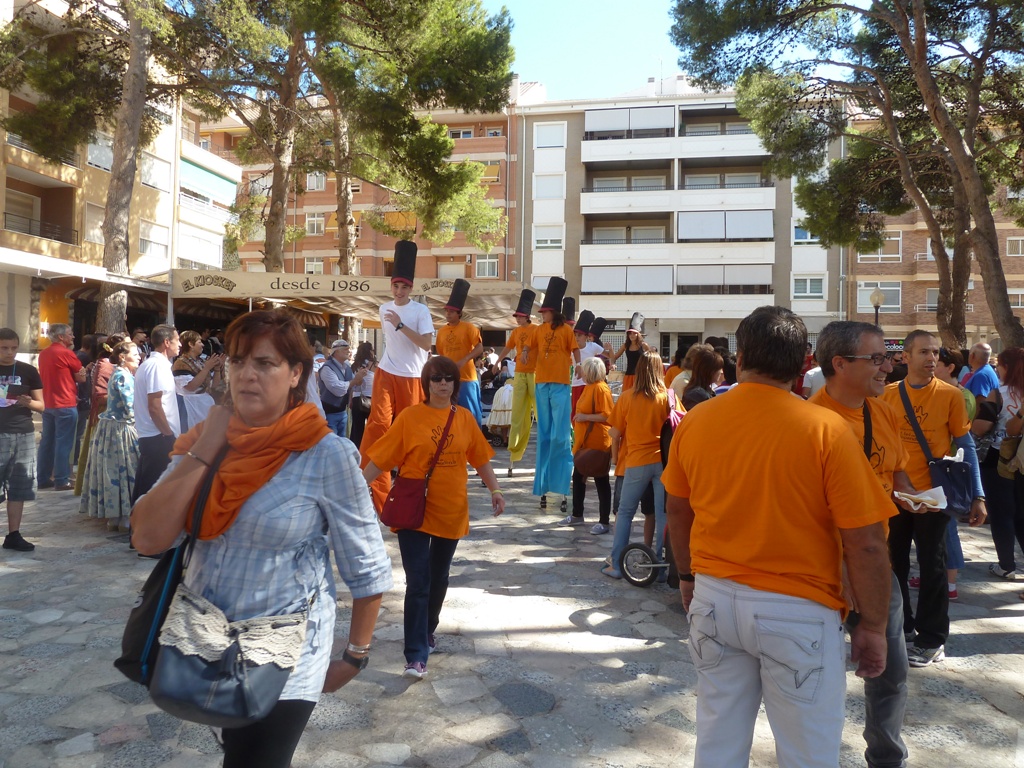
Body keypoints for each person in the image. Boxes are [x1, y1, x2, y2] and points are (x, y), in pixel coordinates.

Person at [131, 310, 392, 768]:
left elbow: (367, 563)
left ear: (295, 374)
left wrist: (355, 656)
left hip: (286, 653)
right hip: (202, 641)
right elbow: (149, 538)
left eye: (265, 363)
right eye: (237, 361)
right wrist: (206, 448)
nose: (247, 374)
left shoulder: (326, 454)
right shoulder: (207, 441)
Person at [663, 305, 893, 768]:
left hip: (714, 597)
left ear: (742, 355)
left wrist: (687, 576)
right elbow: (866, 541)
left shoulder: (698, 420)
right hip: (798, 607)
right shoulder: (826, 430)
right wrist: (873, 625)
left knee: (717, 742)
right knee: (808, 753)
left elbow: (678, 509)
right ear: (804, 362)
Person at [809, 320, 917, 768]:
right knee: (816, 679)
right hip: (823, 571)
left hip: (875, 564)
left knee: (890, 673)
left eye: (887, 358)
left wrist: (913, 497)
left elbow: (897, 471)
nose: (888, 367)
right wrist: (843, 573)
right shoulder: (810, 422)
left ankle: (887, 758)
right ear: (839, 364)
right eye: (876, 359)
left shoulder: (883, 411)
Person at [363, 355, 503, 679]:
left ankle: (427, 629)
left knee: (439, 577)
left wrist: (495, 490)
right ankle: (415, 655)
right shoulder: (410, 417)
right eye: (436, 378)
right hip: (414, 508)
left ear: (455, 383)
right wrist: (357, 486)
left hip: (450, 509)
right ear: (426, 383)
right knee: (418, 581)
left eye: (448, 378)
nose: (442, 383)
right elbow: (381, 457)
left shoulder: (464, 418)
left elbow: (480, 458)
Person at [880, 330, 986, 668]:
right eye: (924, 351)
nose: (931, 358)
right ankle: (901, 626)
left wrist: (978, 494)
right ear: (905, 356)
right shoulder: (886, 395)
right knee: (893, 563)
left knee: (933, 567)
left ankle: (932, 639)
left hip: (933, 496)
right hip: (895, 496)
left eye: (936, 352)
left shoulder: (951, 395)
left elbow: (966, 445)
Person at [359, 241, 434, 512]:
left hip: (413, 377)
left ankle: (410, 492)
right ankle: (368, 487)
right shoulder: (383, 309)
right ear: (391, 286)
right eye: (395, 286)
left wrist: (400, 325)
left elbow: (426, 344)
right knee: (378, 426)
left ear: (410, 288)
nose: (399, 291)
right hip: (386, 372)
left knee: (409, 435)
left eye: (404, 287)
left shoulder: (420, 311)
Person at [603, 351, 679, 578]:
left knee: (625, 512)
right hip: (663, 463)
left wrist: (614, 458)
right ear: (660, 370)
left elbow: (615, 432)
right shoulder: (669, 397)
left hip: (636, 461)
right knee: (663, 514)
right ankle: (663, 568)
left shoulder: (627, 397)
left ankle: (617, 565)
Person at [525, 278, 581, 506]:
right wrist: (525, 352)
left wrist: (579, 366)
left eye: (544, 312)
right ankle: (543, 484)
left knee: (561, 436)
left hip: (560, 384)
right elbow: (529, 344)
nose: (541, 316)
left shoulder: (566, 330)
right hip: (541, 384)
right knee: (544, 436)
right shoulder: (539, 329)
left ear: (553, 313)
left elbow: (575, 350)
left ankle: (561, 484)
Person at [970, 346, 1024, 582]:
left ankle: (1006, 565)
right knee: (1021, 514)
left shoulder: (999, 394)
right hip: (1022, 461)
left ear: (1005, 367)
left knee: (1002, 513)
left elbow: (981, 427)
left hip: (998, 459)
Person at [928, 348, 974, 599]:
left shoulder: (960, 396)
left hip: (950, 469)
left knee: (948, 528)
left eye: (937, 361)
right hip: (939, 468)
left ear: (950, 367)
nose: (932, 364)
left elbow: (963, 438)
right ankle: (937, 576)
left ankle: (951, 583)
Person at [79, 340, 141, 531]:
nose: (139, 357)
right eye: (135, 354)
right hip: (120, 429)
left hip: (111, 427)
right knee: (125, 470)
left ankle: (116, 517)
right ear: (122, 357)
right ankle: (124, 516)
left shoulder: (119, 373)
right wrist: (139, 425)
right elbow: (130, 406)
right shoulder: (123, 376)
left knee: (113, 471)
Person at [0, 328, 44, 551]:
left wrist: (28, 403)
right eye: (4, 348)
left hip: (23, 433)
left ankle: (13, 534)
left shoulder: (28, 370)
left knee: (19, 486)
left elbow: (41, 405)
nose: (10, 352)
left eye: (14, 348)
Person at [131, 325, 182, 506]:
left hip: (157, 436)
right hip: (158, 437)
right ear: (167, 342)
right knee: (153, 491)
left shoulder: (157, 365)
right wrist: (168, 435)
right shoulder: (156, 366)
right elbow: (154, 406)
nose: (180, 344)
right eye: (177, 340)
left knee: (148, 487)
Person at [563, 356, 613, 534]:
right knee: (578, 477)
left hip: (597, 442)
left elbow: (608, 416)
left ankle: (604, 521)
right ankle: (577, 514)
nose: (581, 372)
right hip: (585, 441)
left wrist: (585, 417)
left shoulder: (600, 389)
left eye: (584, 369)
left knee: (601, 480)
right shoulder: (590, 387)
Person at [37, 323, 87, 491]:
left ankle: (43, 477)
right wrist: (83, 371)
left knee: (47, 441)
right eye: (70, 334)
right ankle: (61, 479)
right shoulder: (67, 353)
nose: (73, 336)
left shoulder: (43, 354)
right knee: (64, 443)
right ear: (61, 337)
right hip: (65, 402)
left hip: (48, 402)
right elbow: (81, 377)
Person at [496, 289, 537, 475]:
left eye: (520, 316)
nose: (517, 319)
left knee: (540, 413)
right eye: (516, 316)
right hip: (520, 373)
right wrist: (497, 361)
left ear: (527, 316)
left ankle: (545, 454)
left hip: (535, 373)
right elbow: (508, 348)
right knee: (517, 415)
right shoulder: (515, 331)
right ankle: (514, 453)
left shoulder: (536, 329)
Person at [434, 279, 484, 425]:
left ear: (459, 313)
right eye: (447, 311)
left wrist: (464, 360)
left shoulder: (469, 328)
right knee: (451, 415)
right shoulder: (441, 331)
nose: (448, 313)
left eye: (451, 311)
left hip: (467, 378)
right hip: (449, 380)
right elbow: (442, 354)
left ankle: (476, 438)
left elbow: (480, 348)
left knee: (472, 415)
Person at [172, 330, 222, 431]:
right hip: (190, 406)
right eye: (199, 342)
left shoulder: (201, 361)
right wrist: (206, 368)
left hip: (204, 404)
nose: (202, 345)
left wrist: (217, 369)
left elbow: (214, 385)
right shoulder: (180, 363)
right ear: (191, 344)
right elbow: (191, 387)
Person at [570, 311, 605, 420]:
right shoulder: (571, 348)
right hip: (576, 383)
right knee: (575, 412)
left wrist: (612, 355)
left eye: (579, 335)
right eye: (575, 335)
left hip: (590, 383)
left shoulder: (593, 346)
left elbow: (609, 355)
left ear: (586, 336)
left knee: (589, 410)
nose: (576, 338)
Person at [319, 339, 358, 438]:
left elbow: (356, 385)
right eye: (345, 349)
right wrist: (354, 381)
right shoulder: (327, 368)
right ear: (336, 352)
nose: (348, 351)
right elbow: (336, 388)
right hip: (329, 413)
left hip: (342, 412)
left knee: (341, 441)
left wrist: (360, 379)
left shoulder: (347, 368)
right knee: (332, 443)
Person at [610, 313, 650, 392]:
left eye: (634, 333)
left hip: (641, 376)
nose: (632, 335)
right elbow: (614, 357)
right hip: (628, 375)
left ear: (638, 334)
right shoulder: (625, 345)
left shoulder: (644, 345)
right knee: (627, 396)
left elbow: (652, 358)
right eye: (630, 333)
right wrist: (613, 363)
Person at [348, 342, 376, 449]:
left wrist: (350, 400)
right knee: (371, 429)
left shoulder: (354, 365)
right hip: (371, 399)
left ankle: (355, 451)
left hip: (357, 398)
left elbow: (353, 384)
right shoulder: (374, 365)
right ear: (370, 351)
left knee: (356, 429)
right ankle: (367, 451)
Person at [682, 346, 723, 412]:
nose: (721, 372)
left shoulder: (704, 391)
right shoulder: (696, 395)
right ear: (710, 371)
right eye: (719, 368)